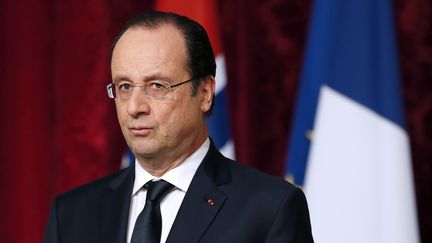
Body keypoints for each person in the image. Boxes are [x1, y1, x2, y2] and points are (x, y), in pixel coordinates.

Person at [43, 11, 314, 243]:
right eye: (124, 87)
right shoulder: (70, 214)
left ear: (206, 93)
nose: (134, 107)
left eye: (157, 86)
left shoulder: (270, 209)